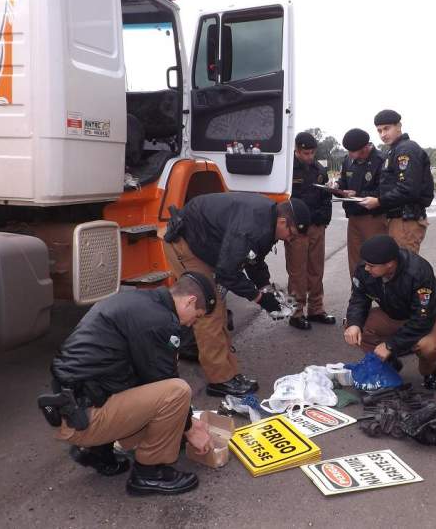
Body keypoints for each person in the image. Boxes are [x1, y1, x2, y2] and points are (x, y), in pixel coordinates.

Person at [46, 272, 216, 496]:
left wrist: (181, 427)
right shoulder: (159, 321)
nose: (193, 322)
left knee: (161, 397)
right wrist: (191, 428)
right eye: (198, 315)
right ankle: (149, 473)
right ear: (190, 301)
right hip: (84, 417)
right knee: (177, 392)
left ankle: (99, 451)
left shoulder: (139, 302)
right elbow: (163, 380)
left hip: (73, 406)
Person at [162, 193, 312, 396]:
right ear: (283, 221)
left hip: (205, 244)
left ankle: (208, 358)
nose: (290, 239)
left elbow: (254, 260)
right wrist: (258, 297)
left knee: (216, 308)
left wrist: (266, 289)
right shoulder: (251, 227)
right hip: (186, 244)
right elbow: (227, 273)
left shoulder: (268, 220)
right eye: (291, 234)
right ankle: (220, 380)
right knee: (208, 309)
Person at [343, 235, 436, 390]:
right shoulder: (365, 269)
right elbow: (358, 299)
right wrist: (354, 323)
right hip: (392, 314)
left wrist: (391, 345)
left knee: (429, 347)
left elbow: (422, 320)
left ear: (390, 264)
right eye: (366, 264)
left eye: (371, 266)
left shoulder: (418, 271)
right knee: (354, 327)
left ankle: (430, 370)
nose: (366, 268)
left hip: (427, 318)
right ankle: (389, 362)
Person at [356, 110, 433, 253]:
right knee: (400, 266)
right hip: (399, 219)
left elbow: (408, 189)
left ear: (399, 126)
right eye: (379, 131)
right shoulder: (395, 150)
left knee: (406, 266)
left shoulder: (405, 150)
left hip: (406, 220)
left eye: (387, 128)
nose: (383, 134)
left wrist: (379, 201)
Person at [284, 132, 336, 330]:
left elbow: (326, 197)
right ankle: (295, 313)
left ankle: (316, 309)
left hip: (316, 226)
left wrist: (324, 219)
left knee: (316, 269)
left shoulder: (319, 169)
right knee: (297, 271)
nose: (309, 157)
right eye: (305, 153)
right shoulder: (288, 169)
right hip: (296, 228)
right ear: (296, 150)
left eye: (312, 153)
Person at [337, 128, 387, 276]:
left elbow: (383, 191)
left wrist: (357, 194)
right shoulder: (348, 160)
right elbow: (343, 180)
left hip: (373, 218)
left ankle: (380, 295)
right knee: (355, 261)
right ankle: (358, 294)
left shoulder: (381, 160)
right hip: (353, 217)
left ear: (365, 147)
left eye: (353, 151)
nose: (350, 155)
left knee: (376, 259)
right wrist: (337, 187)